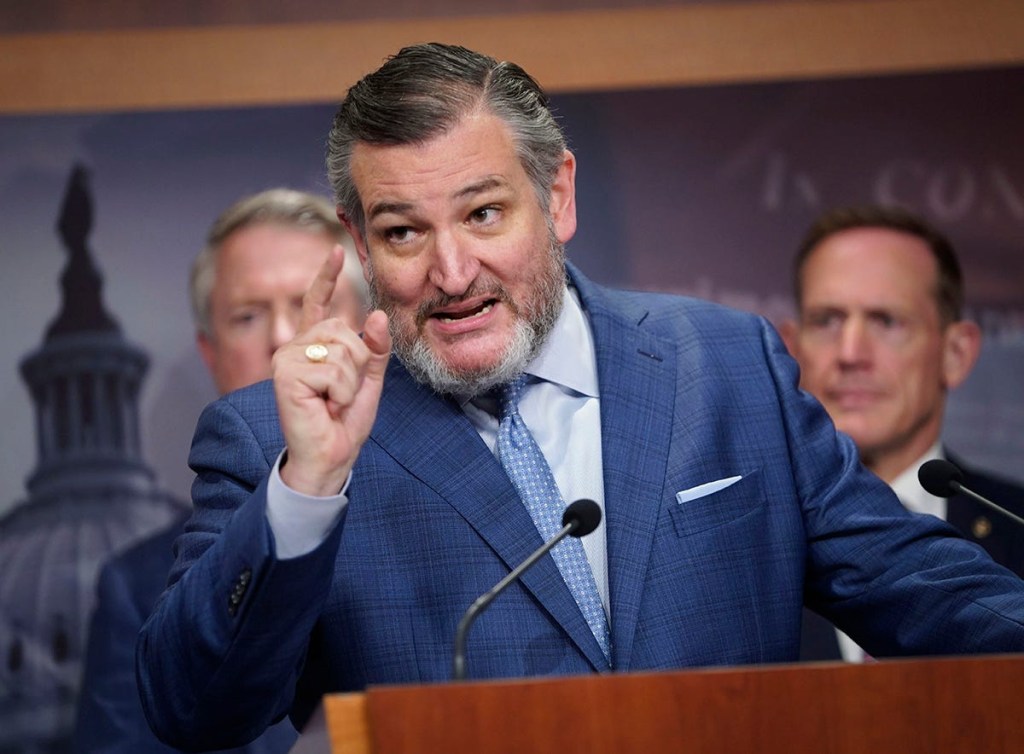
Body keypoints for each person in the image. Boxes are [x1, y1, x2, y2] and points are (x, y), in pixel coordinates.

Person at [136, 43, 1024, 750]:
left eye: (484, 214)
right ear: (362, 245)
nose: (452, 272)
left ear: (556, 195)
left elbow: (927, 594)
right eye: (405, 232)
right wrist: (308, 487)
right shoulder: (275, 443)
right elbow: (191, 711)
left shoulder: (724, 366)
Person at [74, 188, 367, 753]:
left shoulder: (434, 522)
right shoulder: (135, 590)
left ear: (366, 329)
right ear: (209, 352)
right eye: (248, 316)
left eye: (316, 304)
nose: (285, 338)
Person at [779, 204, 1024, 662]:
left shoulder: (1017, 525)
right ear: (789, 351)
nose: (851, 353)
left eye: (886, 321)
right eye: (827, 321)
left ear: (955, 352)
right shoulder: (741, 547)